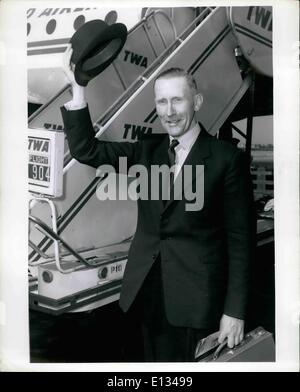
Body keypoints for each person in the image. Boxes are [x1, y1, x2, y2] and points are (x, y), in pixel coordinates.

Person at [61, 45, 253, 362]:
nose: (169, 111)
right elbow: (88, 151)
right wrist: (78, 91)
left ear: (197, 102)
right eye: (162, 102)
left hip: (196, 303)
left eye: (177, 99)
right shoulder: (147, 152)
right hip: (143, 296)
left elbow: (239, 242)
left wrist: (234, 311)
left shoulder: (226, 159)